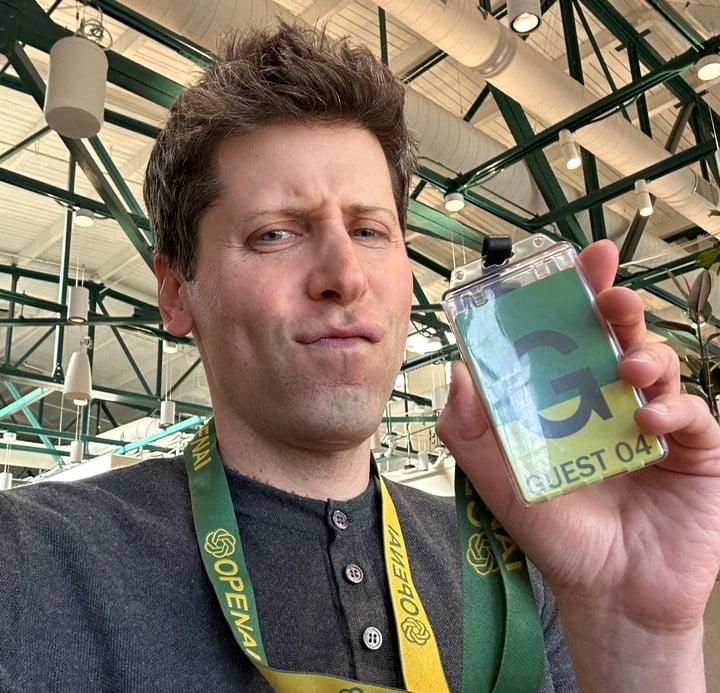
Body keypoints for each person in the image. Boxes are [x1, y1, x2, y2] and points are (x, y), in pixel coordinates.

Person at [1, 20, 719, 693]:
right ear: (175, 293)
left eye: (371, 230)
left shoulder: (527, 574)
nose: (345, 274)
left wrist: (639, 632)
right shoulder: (29, 565)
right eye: (276, 234)